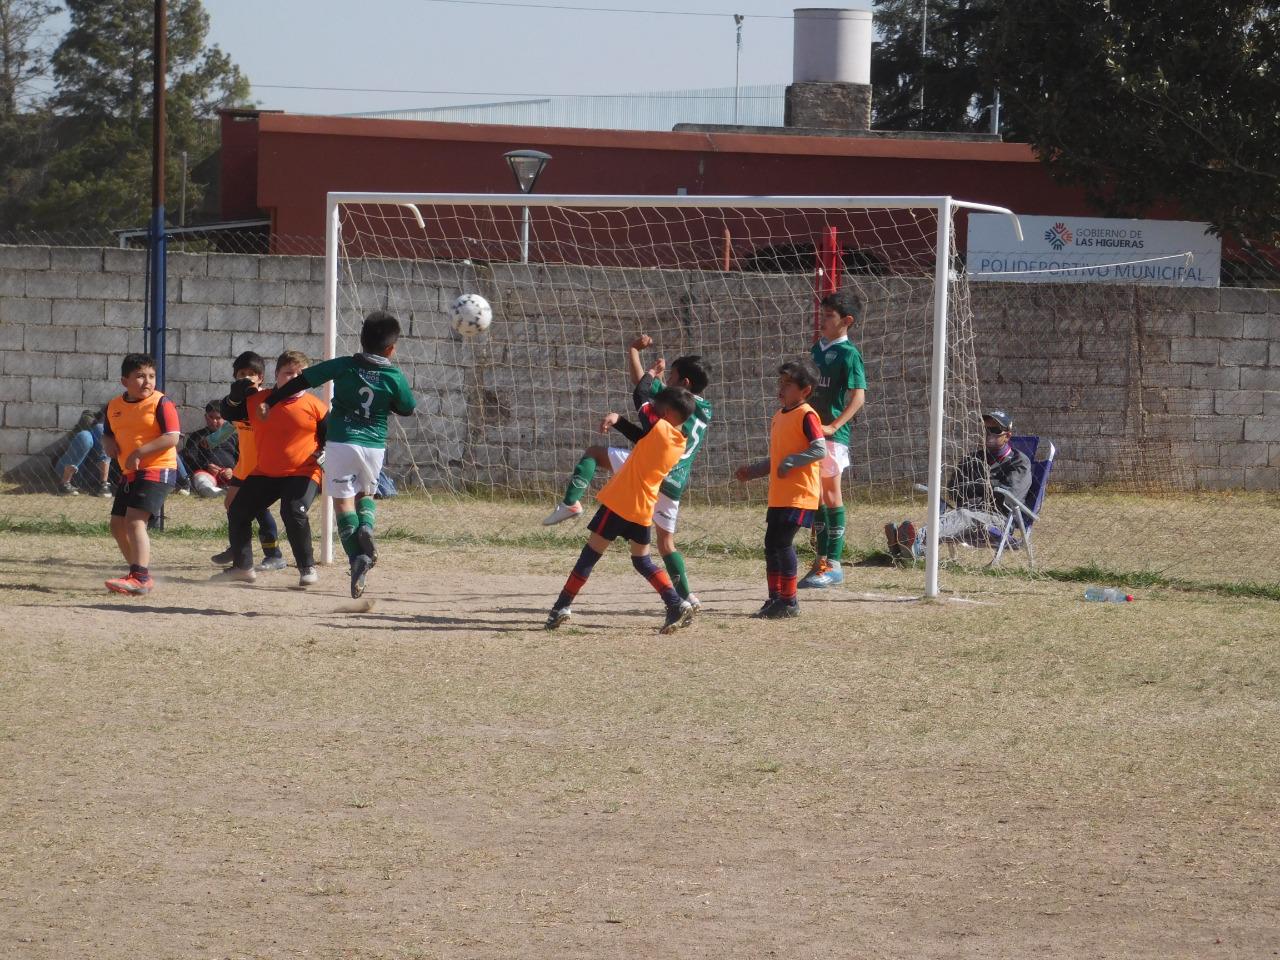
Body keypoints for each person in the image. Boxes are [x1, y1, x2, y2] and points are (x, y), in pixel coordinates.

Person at [543, 334, 713, 609]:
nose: (665, 382)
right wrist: (621, 421)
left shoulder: (670, 408)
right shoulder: (701, 410)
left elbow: (641, 388)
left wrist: (634, 351)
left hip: (641, 477)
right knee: (663, 545)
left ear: (684, 384)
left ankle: (571, 502)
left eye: (670, 378)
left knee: (595, 454)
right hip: (673, 479)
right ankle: (685, 597)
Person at [262, 311, 416, 599]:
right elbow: (407, 408)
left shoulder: (345, 365)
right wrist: (386, 399)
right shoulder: (394, 375)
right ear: (391, 349)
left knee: (342, 503)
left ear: (361, 340)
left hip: (341, 442)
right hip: (373, 444)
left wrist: (271, 399)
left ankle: (357, 557)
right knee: (366, 495)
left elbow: (304, 380)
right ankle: (367, 526)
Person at [544, 387, 698, 634]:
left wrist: (647, 377)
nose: (654, 411)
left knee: (589, 556)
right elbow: (641, 434)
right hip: (644, 508)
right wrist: (620, 421)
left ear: (667, 413)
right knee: (642, 561)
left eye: (659, 409)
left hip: (621, 503)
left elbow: (641, 398)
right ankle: (674, 603)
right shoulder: (679, 441)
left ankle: (561, 607)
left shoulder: (659, 428)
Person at [217, 351, 328, 588]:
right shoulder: (259, 400)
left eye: (301, 374)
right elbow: (229, 412)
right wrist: (233, 397)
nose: (295, 377)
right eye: (289, 373)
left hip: (302, 471)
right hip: (265, 471)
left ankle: (306, 567)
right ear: (276, 375)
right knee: (237, 511)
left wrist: (328, 452)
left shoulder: (315, 406)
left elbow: (330, 436)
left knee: (293, 511)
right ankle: (243, 567)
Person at [734, 361, 826, 619]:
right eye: (780, 383)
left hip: (800, 494)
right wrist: (753, 471)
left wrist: (792, 461)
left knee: (782, 542)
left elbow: (820, 449)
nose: (781, 388)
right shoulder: (779, 416)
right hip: (779, 495)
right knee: (770, 544)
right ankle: (775, 599)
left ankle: (789, 601)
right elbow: (777, 458)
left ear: (805, 391)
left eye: (788, 384)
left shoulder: (807, 415)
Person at [885, 409, 1032, 560]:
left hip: (999, 520)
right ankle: (906, 547)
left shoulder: (1019, 462)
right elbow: (954, 490)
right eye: (985, 429)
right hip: (967, 512)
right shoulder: (972, 458)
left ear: (1007, 435)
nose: (988, 433)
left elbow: (1010, 497)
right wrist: (984, 487)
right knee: (953, 515)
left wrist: (978, 487)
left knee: (962, 515)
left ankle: (915, 541)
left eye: (994, 430)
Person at [799, 290, 867, 589]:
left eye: (829, 316)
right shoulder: (817, 349)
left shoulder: (849, 354)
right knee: (814, 495)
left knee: (830, 494)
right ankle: (820, 558)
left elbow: (858, 397)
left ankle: (834, 563)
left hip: (832, 435)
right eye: (822, 315)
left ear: (846, 321)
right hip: (811, 432)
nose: (823, 321)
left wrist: (834, 424)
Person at [100, 353, 181, 596]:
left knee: (134, 521)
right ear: (124, 381)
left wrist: (139, 452)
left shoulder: (161, 403)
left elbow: (172, 437)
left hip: (158, 468)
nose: (147, 382)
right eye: (140, 376)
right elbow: (107, 433)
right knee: (117, 525)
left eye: (151, 376)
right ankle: (136, 570)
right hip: (130, 472)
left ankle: (140, 577)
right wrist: (107, 443)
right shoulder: (114, 405)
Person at [209, 351, 286, 572]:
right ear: (235, 376)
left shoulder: (266, 401)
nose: (247, 377)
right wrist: (212, 440)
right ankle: (238, 547)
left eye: (252, 374)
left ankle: (274, 554)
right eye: (242, 373)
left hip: (262, 467)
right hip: (244, 465)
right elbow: (230, 425)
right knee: (231, 506)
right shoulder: (236, 402)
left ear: (261, 377)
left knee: (257, 509)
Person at [179, 400, 239, 497]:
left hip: (230, 474)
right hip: (208, 474)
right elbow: (189, 458)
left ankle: (229, 490)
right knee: (201, 479)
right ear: (206, 417)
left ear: (226, 419)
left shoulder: (234, 437)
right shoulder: (197, 436)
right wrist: (206, 466)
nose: (214, 421)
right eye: (211, 417)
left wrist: (233, 470)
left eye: (218, 418)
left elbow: (242, 458)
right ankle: (215, 491)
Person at [55, 407, 111, 497]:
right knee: (88, 434)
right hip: (70, 467)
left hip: (93, 475)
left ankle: (103, 484)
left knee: (104, 432)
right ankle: (65, 483)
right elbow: (88, 426)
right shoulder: (88, 416)